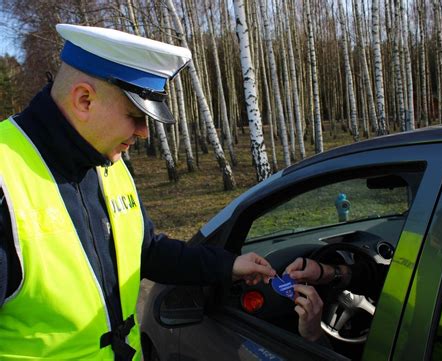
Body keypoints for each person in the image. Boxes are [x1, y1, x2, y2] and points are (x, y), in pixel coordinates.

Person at [0, 24, 276, 360]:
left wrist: (228, 265)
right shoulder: (5, 175)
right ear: (84, 100)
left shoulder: (106, 160)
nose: (144, 132)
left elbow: (144, 251)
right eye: (135, 116)